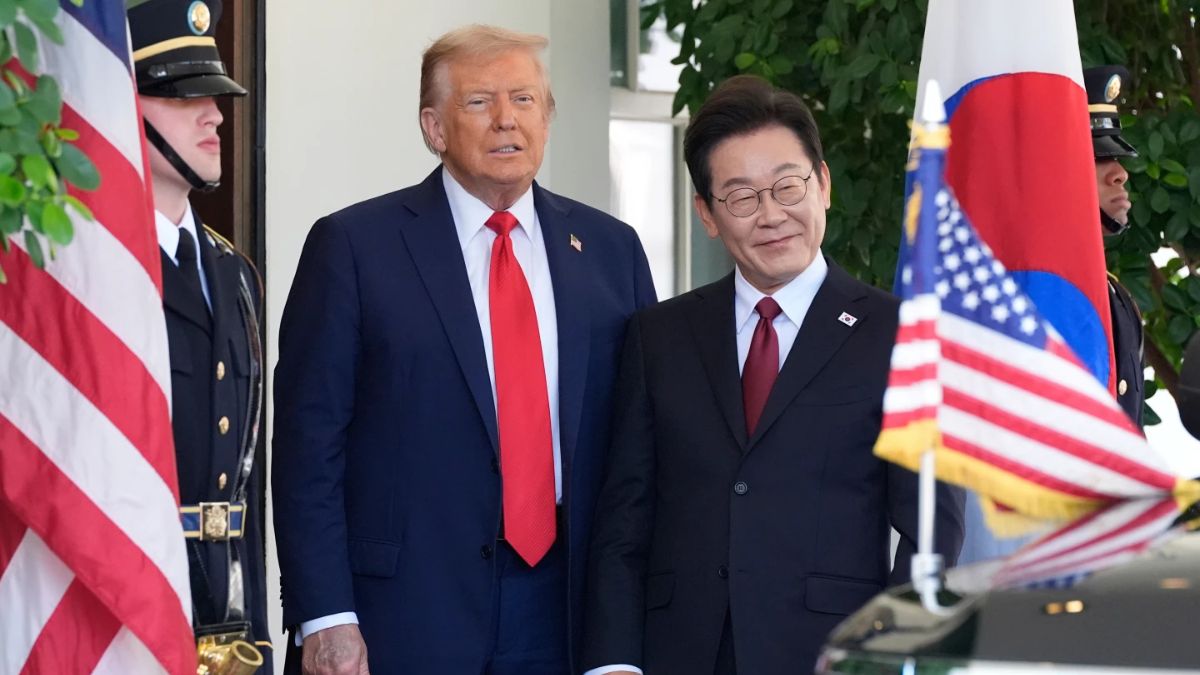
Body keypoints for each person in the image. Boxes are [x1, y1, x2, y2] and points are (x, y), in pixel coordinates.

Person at [272, 24, 656, 675]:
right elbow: (309, 447)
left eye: (525, 99)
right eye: (479, 101)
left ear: (548, 116)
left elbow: (643, 447)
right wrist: (328, 615)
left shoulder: (611, 251)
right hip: (403, 616)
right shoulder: (355, 248)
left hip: (566, 612)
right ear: (434, 126)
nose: (507, 119)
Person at [580, 75, 964, 675]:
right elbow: (622, 525)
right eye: (741, 197)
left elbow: (931, 528)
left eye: (789, 187)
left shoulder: (897, 334)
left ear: (824, 185)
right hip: (678, 654)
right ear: (707, 214)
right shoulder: (659, 336)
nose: (772, 216)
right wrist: (614, 663)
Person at [129, 0, 271, 670]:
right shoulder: (102, 270)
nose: (214, 114)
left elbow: (247, 483)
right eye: (187, 98)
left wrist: (259, 638)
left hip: (226, 620)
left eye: (215, 96)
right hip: (131, 601)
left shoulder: (234, 271)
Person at [1084, 65, 1144, 426]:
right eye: (1096, 158)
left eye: (1116, 157)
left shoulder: (1118, 297)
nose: (1119, 173)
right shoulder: (1033, 288)